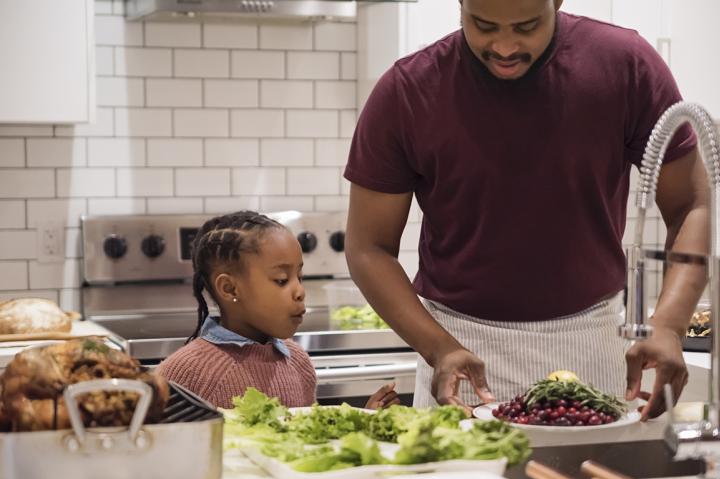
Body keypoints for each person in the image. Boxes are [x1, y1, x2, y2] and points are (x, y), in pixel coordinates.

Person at [344, 0, 708, 421]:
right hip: (456, 345)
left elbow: (690, 204)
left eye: (526, 26)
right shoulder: (407, 90)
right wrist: (436, 346)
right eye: (482, 25)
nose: (503, 46)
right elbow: (369, 248)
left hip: (591, 341)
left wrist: (669, 325)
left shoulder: (625, 66)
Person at [159, 211, 401, 410]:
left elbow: (304, 444)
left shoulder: (297, 362)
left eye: (300, 276)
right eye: (282, 280)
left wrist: (365, 418)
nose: (300, 291)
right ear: (230, 288)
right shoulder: (186, 372)